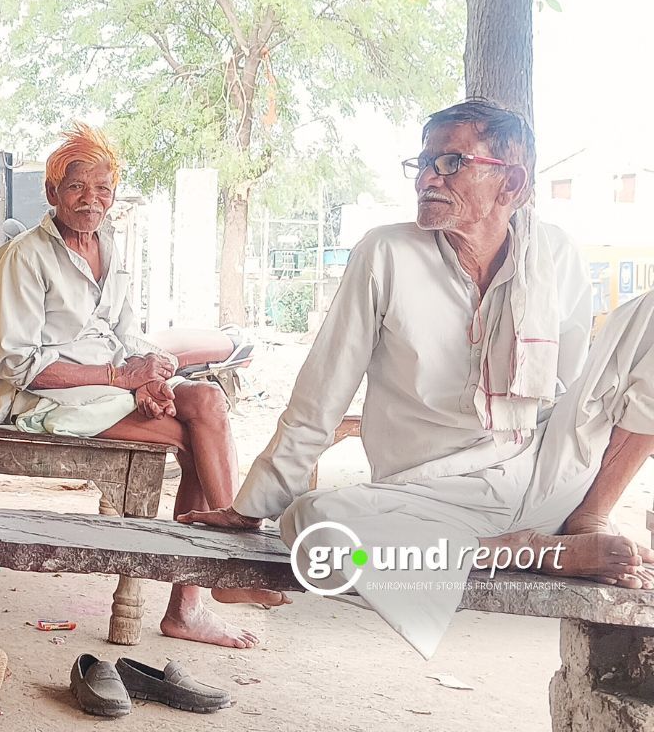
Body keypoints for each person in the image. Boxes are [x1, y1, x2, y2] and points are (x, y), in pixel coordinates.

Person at [178, 99, 631, 658]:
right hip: (430, 502)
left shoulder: (555, 252)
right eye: (422, 164)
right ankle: (520, 551)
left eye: (448, 163)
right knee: (314, 529)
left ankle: (587, 518)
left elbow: (574, 384)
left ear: (510, 183)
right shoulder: (386, 251)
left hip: (547, 472)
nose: (426, 179)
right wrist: (254, 506)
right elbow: (323, 391)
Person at [0, 122, 282, 650]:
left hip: (107, 388)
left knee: (206, 400)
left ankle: (228, 558)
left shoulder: (109, 245)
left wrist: (147, 375)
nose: (91, 201)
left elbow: (122, 333)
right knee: (193, 441)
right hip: (41, 397)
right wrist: (123, 377)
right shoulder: (25, 257)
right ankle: (209, 588)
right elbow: (15, 364)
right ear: (52, 193)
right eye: (76, 187)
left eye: (102, 190)